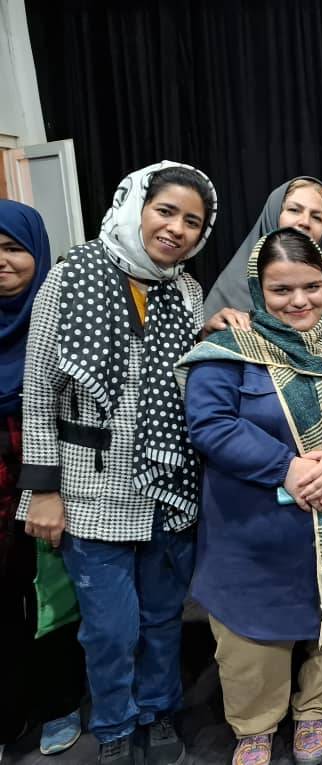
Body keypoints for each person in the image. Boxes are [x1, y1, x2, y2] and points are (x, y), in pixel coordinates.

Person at [17, 162, 218, 765]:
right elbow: (39, 391)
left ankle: (159, 711)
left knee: (163, 617)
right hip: (91, 489)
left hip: (168, 484)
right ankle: (113, 727)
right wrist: (43, 491)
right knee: (109, 628)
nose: (176, 229)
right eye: (166, 211)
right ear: (135, 206)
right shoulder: (71, 274)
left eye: (192, 222)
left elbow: (186, 376)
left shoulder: (186, 290)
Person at [178, 228, 322, 765]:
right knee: (250, 641)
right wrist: (287, 467)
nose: (299, 301)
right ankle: (254, 725)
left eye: (311, 287)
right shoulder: (226, 352)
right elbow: (210, 424)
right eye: (281, 290)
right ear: (257, 291)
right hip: (254, 534)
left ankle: (316, 707)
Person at [0, 200, 86, 758]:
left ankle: (60, 701)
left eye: (13, 248)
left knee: (52, 596)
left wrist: (46, 488)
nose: (2, 261)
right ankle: (9, 711)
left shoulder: (60, 321)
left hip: (50, 479)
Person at [203, 176, 322, 335]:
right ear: (273, 213)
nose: (305, 222)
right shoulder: (232, 283)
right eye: (294, 210)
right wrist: (207, 333)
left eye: (317, 217)